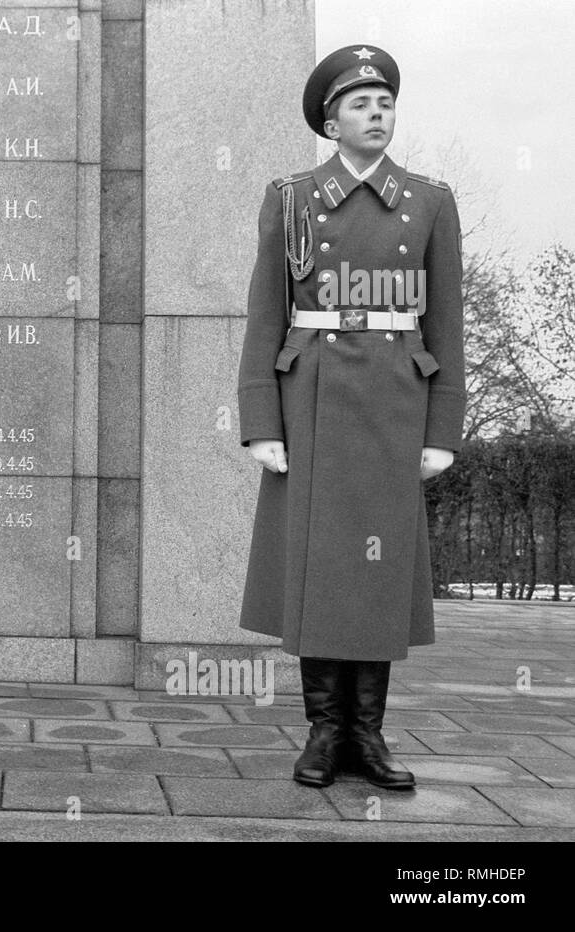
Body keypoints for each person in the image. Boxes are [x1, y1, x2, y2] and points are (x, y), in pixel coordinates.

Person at [236, 45, 465, 790]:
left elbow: (449, 326)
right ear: (331, 121)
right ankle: (323, 731)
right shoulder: (293, 198)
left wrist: (442, 431)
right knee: (320, 567)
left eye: (386, 103)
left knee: (377, 569)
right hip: (313, 398)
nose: (377, 114)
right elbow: (266, 313)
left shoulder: (429, 201)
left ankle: (366, 734)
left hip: (396, 398)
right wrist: (261, 420)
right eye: (361, 104)